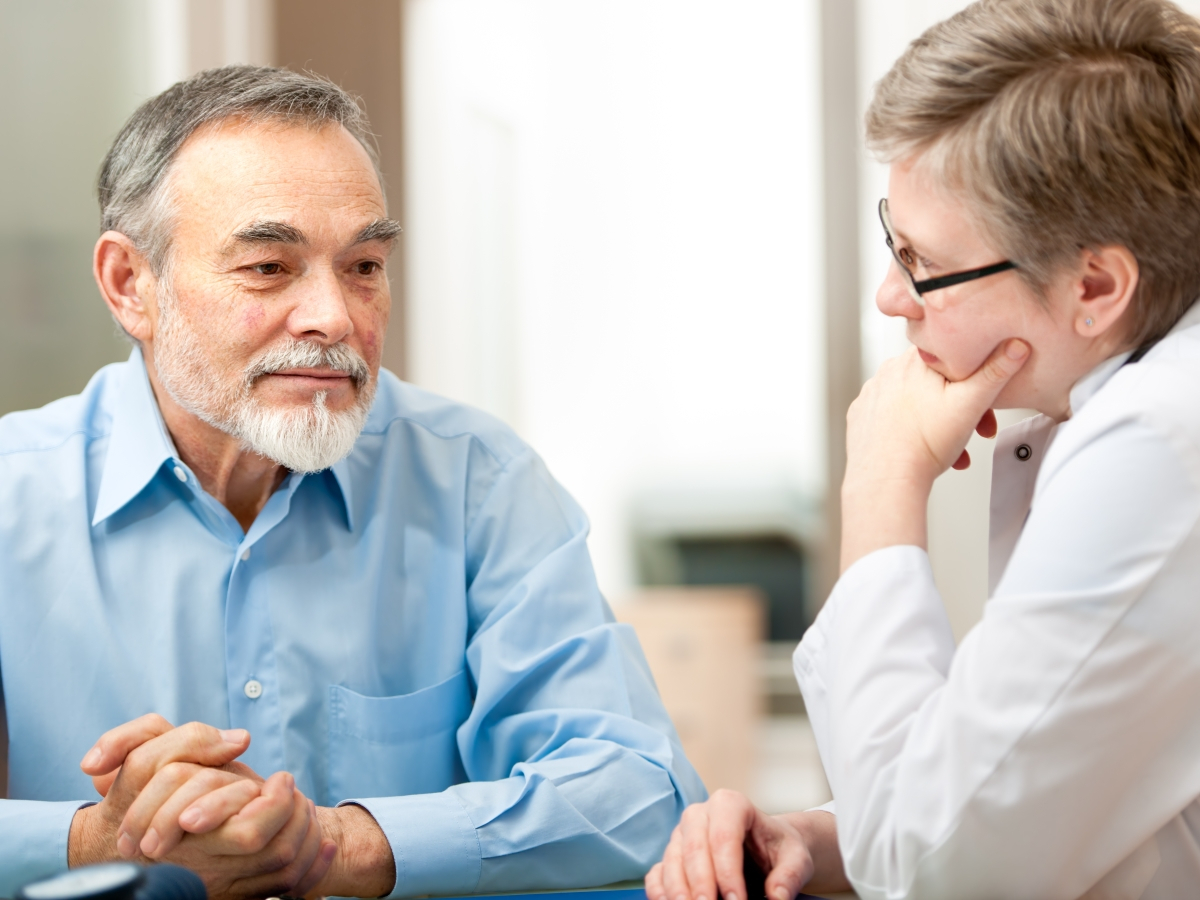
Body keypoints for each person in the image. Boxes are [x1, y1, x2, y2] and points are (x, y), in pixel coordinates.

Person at [0, 65, 705, 900]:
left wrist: (340, 843)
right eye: (268, 267)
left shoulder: (479, 480)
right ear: (131, 285)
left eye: (364, 265)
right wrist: (96, 841)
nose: (335, 317)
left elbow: (638, 791)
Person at [646, 0, 1200, 897]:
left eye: (924, 262)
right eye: (890, 241)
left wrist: (880, 488)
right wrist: (821, 838)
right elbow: (1056, 792)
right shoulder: (1133, 402)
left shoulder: (1157, 446)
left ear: (1094, 286)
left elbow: (940, 868)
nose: (889, 296)